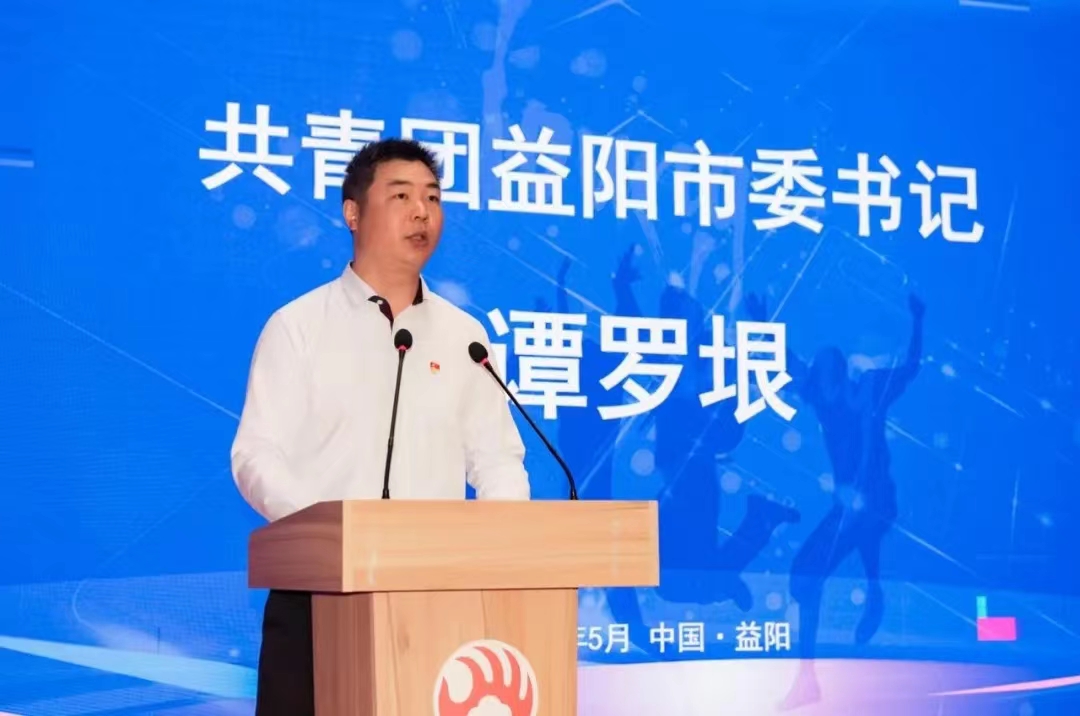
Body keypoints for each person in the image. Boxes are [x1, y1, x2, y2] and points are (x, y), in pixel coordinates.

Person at [230, 138, 531, 716]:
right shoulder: (298, 326)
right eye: (401, 196)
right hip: (318, 597)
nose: (422, 212)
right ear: (353, 213)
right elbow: (256, 455)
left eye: (433, 198)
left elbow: (497, 459)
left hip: (438, 599)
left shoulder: (465, 337)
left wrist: (500, 548)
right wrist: (334, 536)